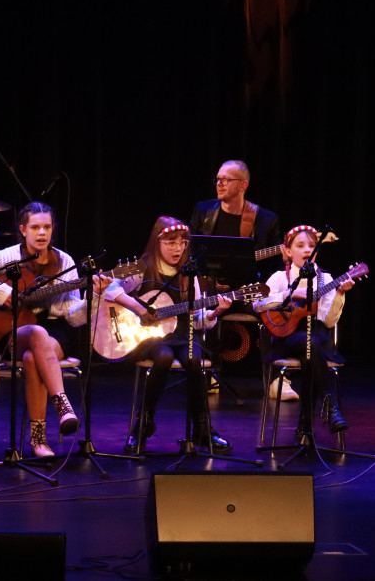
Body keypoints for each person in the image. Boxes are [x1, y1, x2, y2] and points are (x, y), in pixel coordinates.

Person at [0, 202, 85, 458]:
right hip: (18, 329)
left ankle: (40, 439)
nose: (41, 233)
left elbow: (75, 318)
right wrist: (1, 292)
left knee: (33, 356)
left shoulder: (64, 261)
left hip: (55, 330)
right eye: (35, 227)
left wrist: (93, 300)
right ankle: (62, 405)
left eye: (46, 227)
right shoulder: (10, 256)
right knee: (35, 334)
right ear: (23, 230)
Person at [104, 217, 233, 455]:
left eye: (182, 243)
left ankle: (203, 429)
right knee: (163, 357)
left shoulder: (188, 273)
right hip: (150, 338)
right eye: (170, 242)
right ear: (157, 242)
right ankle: (143, 425)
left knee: (194, 360)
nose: (177, 248)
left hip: (183, 334)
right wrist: (139, 309)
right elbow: (109, 288)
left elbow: (198, 317)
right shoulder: (142, 268)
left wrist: (215, 311)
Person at [190, 159, 286, 395]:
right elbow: (190, 251)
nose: (219, 183)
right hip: (210, 288)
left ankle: (277, 379)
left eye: (226, 179)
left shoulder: (265, 219)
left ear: (243, 185)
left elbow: (276, 267)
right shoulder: (203, 211)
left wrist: (284, 257)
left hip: (248, 290)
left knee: (274, 311)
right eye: (218, 179)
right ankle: (208, 373)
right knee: (199, 307)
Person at [252, 225, 355, 435]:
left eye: (311, 246)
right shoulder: (280, 278)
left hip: (317, 336)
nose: (307, 250)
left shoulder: (325, 280)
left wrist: (340, 294)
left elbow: (328, 321)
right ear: (288, 251)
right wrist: (287, 295)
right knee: (310, 345)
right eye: (300, 246)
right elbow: (257, 305)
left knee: (311, 350)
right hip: (287, 338)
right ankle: (330, 407)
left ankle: (305, 427)